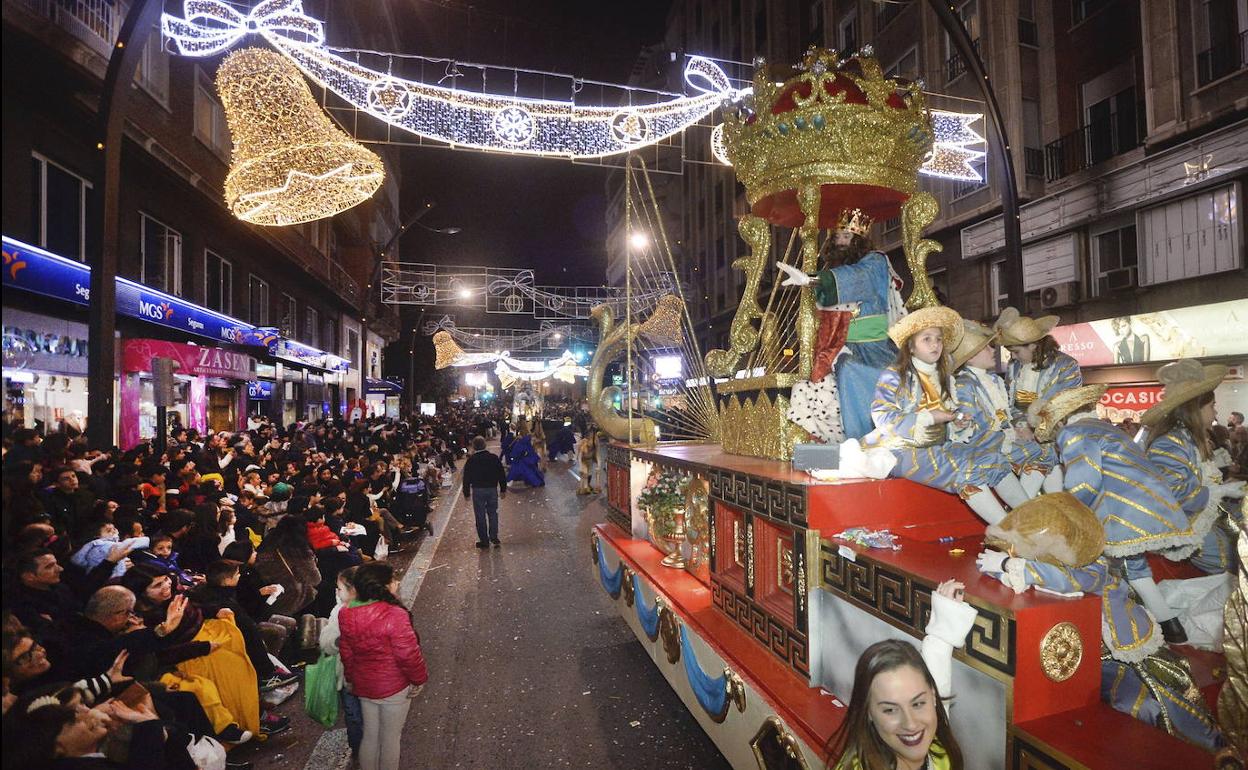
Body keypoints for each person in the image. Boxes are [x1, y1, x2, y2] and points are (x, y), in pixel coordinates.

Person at [1024, 384, 1198, 644]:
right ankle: (1167, 627)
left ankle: (1144, 632)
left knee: (1119, 570)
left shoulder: (1074, 433)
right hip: (1149, 510)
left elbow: (1084, 483)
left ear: (1060, 420)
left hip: (1122, 515)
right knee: (1133, 568)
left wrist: (1067, 517)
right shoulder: (1107, 428)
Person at [869, 307, 1022, 525]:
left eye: (938, 339)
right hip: (903, 450)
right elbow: (882, 417)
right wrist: (930, 417)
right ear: (911, 347)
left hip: (941, 445)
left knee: (994, 460)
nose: (935, 345)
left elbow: (949, 419)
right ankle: (1009, 533)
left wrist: (958, 422)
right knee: (966, 471)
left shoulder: (944, 378)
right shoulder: (894, 375)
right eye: (927, 339)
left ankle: (1031, 521)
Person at [777, 208, 907, 444]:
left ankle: (863, 442)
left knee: (849, 370)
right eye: (837, 236)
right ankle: (824, 451)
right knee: (809, 390)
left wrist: (811, 279)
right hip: (840, 346)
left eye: (847, 237)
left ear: (859, 240)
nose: (841, 241)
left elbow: (857, 278)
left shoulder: (875, 261)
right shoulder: (832, 270)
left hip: (873, 349)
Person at [826, 580, 976, 770]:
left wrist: (943, 632)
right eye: (890, 710)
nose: (911, 723)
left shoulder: (938, 755)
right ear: (868, 713)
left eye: (918, 704)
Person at [1138, 360, 1245, 576]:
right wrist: (1221, 491)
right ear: (1195, 408)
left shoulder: (1186, 438)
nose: (1216, 413)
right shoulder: (1171, 441)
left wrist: (1225, 489)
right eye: (1212, 406)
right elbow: (1170, 495)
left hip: (1204, 526)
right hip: (1190, 535)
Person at [337, 562, 428, 770]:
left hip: (365, 685)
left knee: (370, 735)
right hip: (394, 687)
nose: (396, 582)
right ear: (383, 586)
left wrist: (351, 678)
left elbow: (347, 653)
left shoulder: (347, 613)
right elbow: (408, 655)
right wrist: (419, 679)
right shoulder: (395, 614)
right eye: (393, 580)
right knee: (390, 739)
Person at [994, 307, 1082, 494]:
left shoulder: (1066, 365)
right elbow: (1012, 404)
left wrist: (1035, 431)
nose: (1013, 357)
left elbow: (1065, 406)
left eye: (1016, 352)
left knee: (1048, 476)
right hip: (1024, 438)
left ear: (1033, 345)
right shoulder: (1014, 366)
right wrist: (1017, 427)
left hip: (1054, 437)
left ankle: (1020, 510)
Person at [319, 566, 364, 765]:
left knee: (356, 717)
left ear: (353, 590)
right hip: (360, 679)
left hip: (356, 678)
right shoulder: (339, 611)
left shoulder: (341, 612)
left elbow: (327, 644)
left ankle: (364, 750)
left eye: (339, 589)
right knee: (360, 717)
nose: (336, 593)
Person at [463, 436, 507, 549]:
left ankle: (484, 540)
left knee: (480, 516)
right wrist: (503, 489)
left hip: (478, 490)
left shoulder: (471, 460)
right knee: (493, 514)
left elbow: (466, 477)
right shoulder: (493, 458)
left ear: (473, 446)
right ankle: (494, 537)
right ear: (485, 445)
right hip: (492, 489)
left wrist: (466, 492)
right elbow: (501, 473)